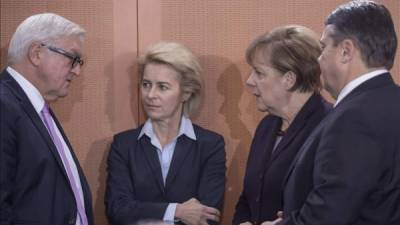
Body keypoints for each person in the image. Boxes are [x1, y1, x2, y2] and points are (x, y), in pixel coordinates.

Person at [265, 1, 400, 225]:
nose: (319, 60)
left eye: (323, 48)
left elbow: (331, 213)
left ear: (346, 51)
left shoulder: (354, 117)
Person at [105, 42, 226, 225]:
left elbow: (207, 217)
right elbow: (118, 209)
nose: (150, 95)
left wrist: (145, 216)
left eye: (162, 87)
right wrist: (177, 211)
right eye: (146, 84)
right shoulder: (123, 145)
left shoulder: (210, 145)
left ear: (185, 93)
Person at [232, 25, 332, 225]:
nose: (250, 81)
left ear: (289, 79)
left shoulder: (330, 126)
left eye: (259, 73)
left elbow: (332, 204)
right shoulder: (267, 126)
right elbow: (249, 197)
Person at [0, 13, 93, 225]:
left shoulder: (35, 107)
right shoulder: (4, 105)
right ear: (36, 53)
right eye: (73, 58)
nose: (77, 71)